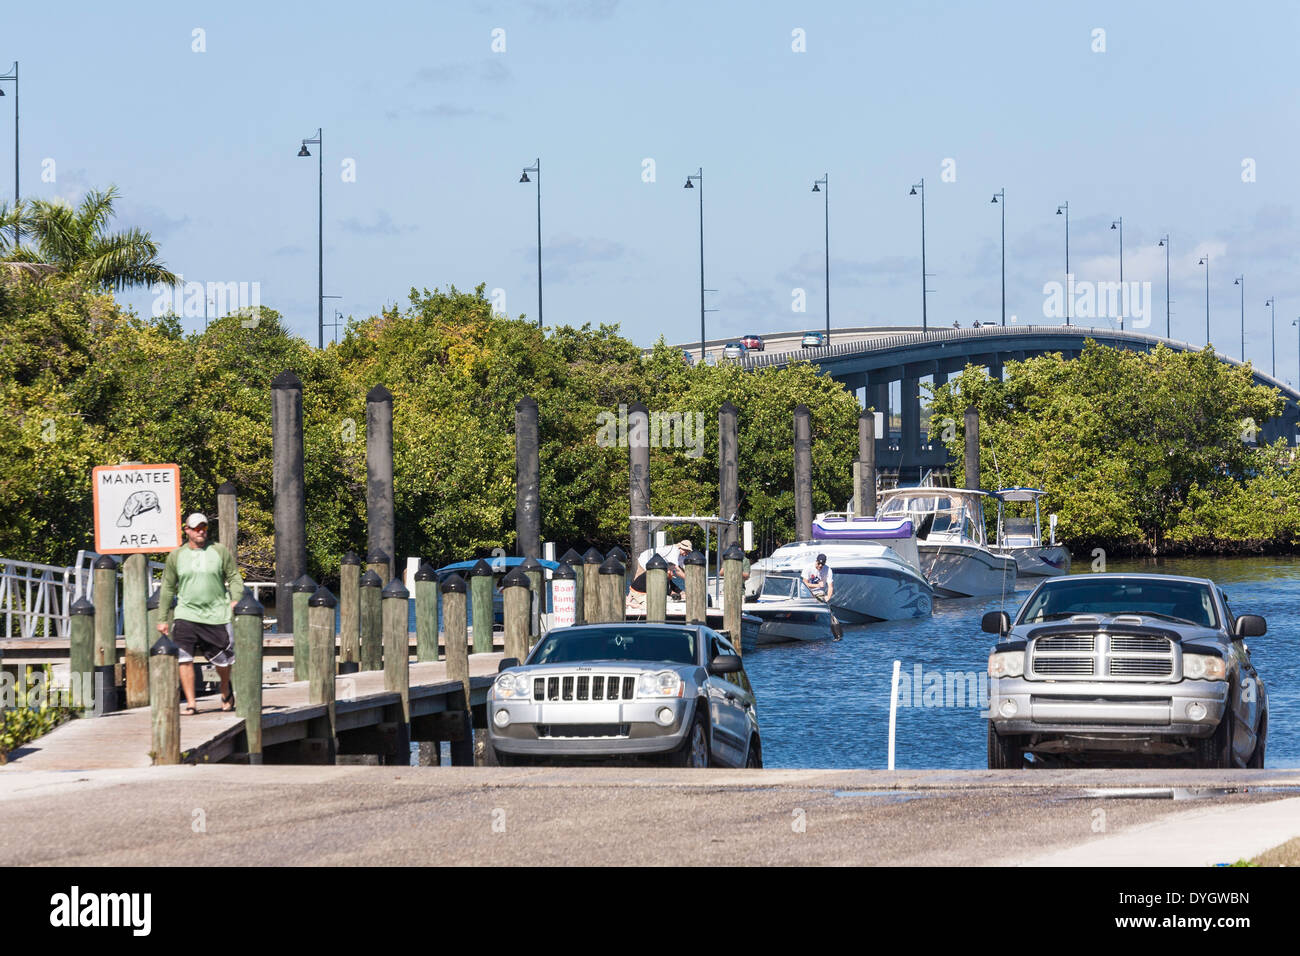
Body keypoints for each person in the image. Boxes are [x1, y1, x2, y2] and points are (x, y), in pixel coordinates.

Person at [156, 512, 243, 715]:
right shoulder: (176, 555)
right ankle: (191, 703)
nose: (201, 531)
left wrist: (235, 598)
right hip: (186, 613)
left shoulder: (219, 550)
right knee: (184, 658)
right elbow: (168, 587)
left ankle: (224, 689)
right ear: (187, 530)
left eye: (203, 527)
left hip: (217, 614)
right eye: (196, 528)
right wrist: (162, 618)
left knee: (223, 661)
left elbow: (234, 577)